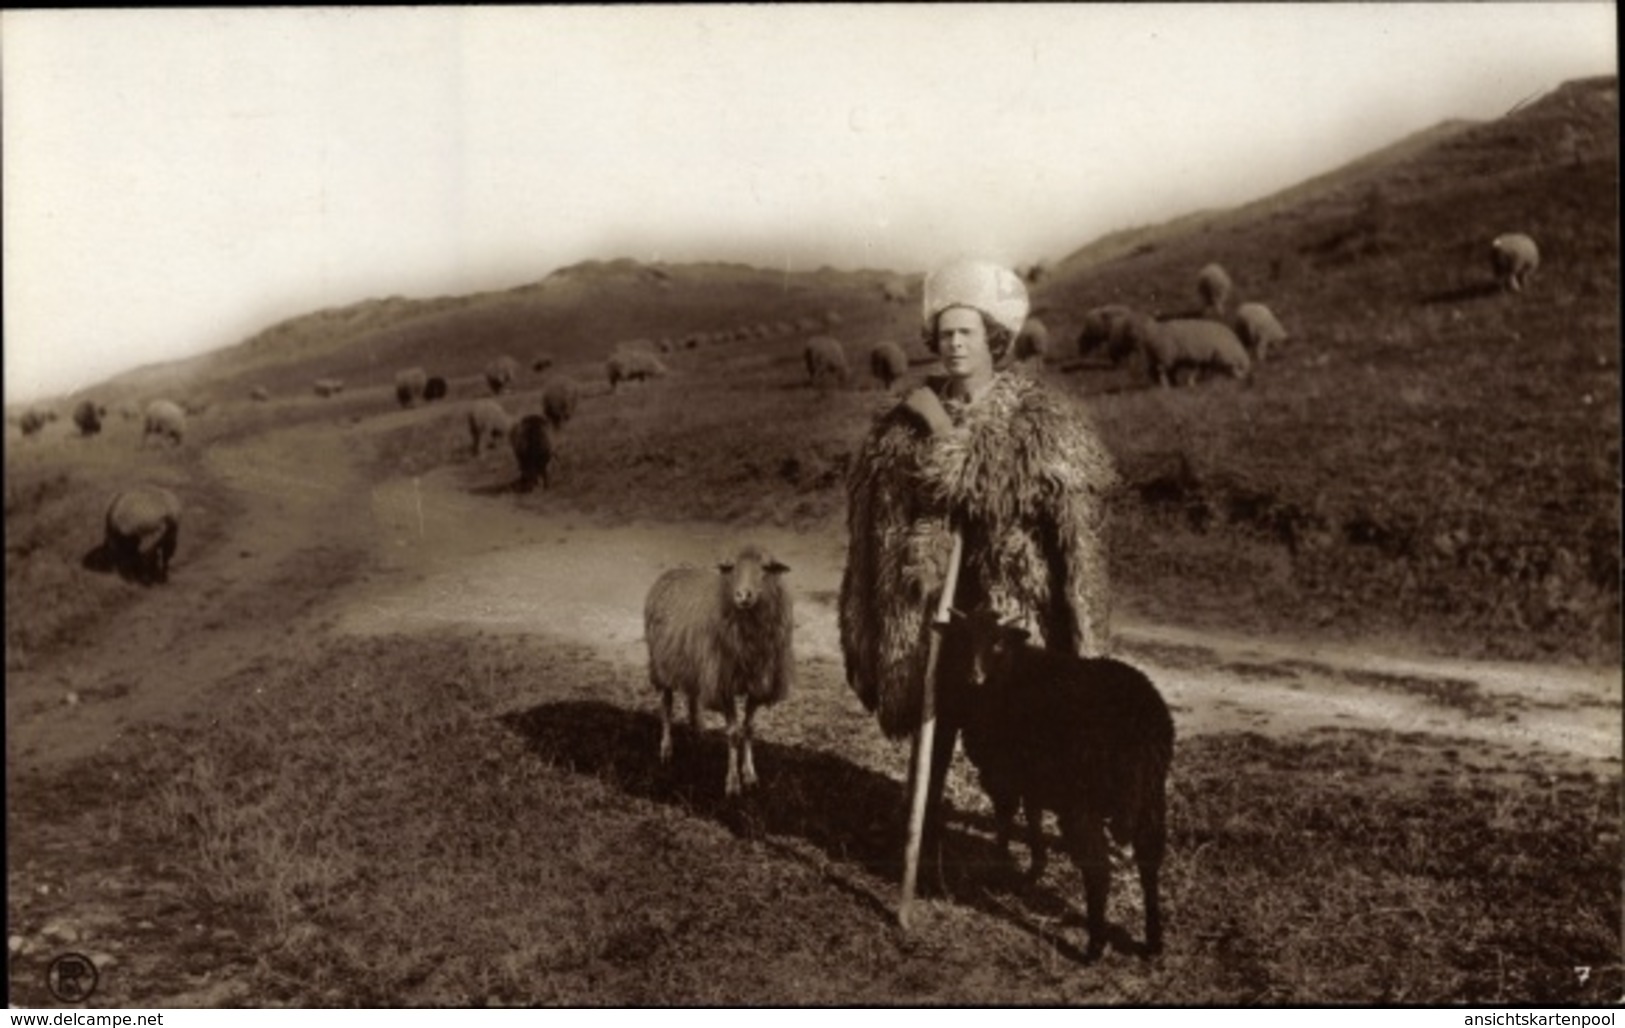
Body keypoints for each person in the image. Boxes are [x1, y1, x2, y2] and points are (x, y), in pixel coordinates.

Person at [838, 257, 1119, 885]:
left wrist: (941, 430)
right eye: (945, 333)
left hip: (1008, 612)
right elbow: (876, 512)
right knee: (932, 725)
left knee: (1020, 732)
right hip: (934, 607)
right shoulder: (902, 422)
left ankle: (1039, 846)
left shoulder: (1036, 421)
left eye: (968, 332)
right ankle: (923, 832)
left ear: (994, 337)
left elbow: (1020, 502)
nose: (955, 344)